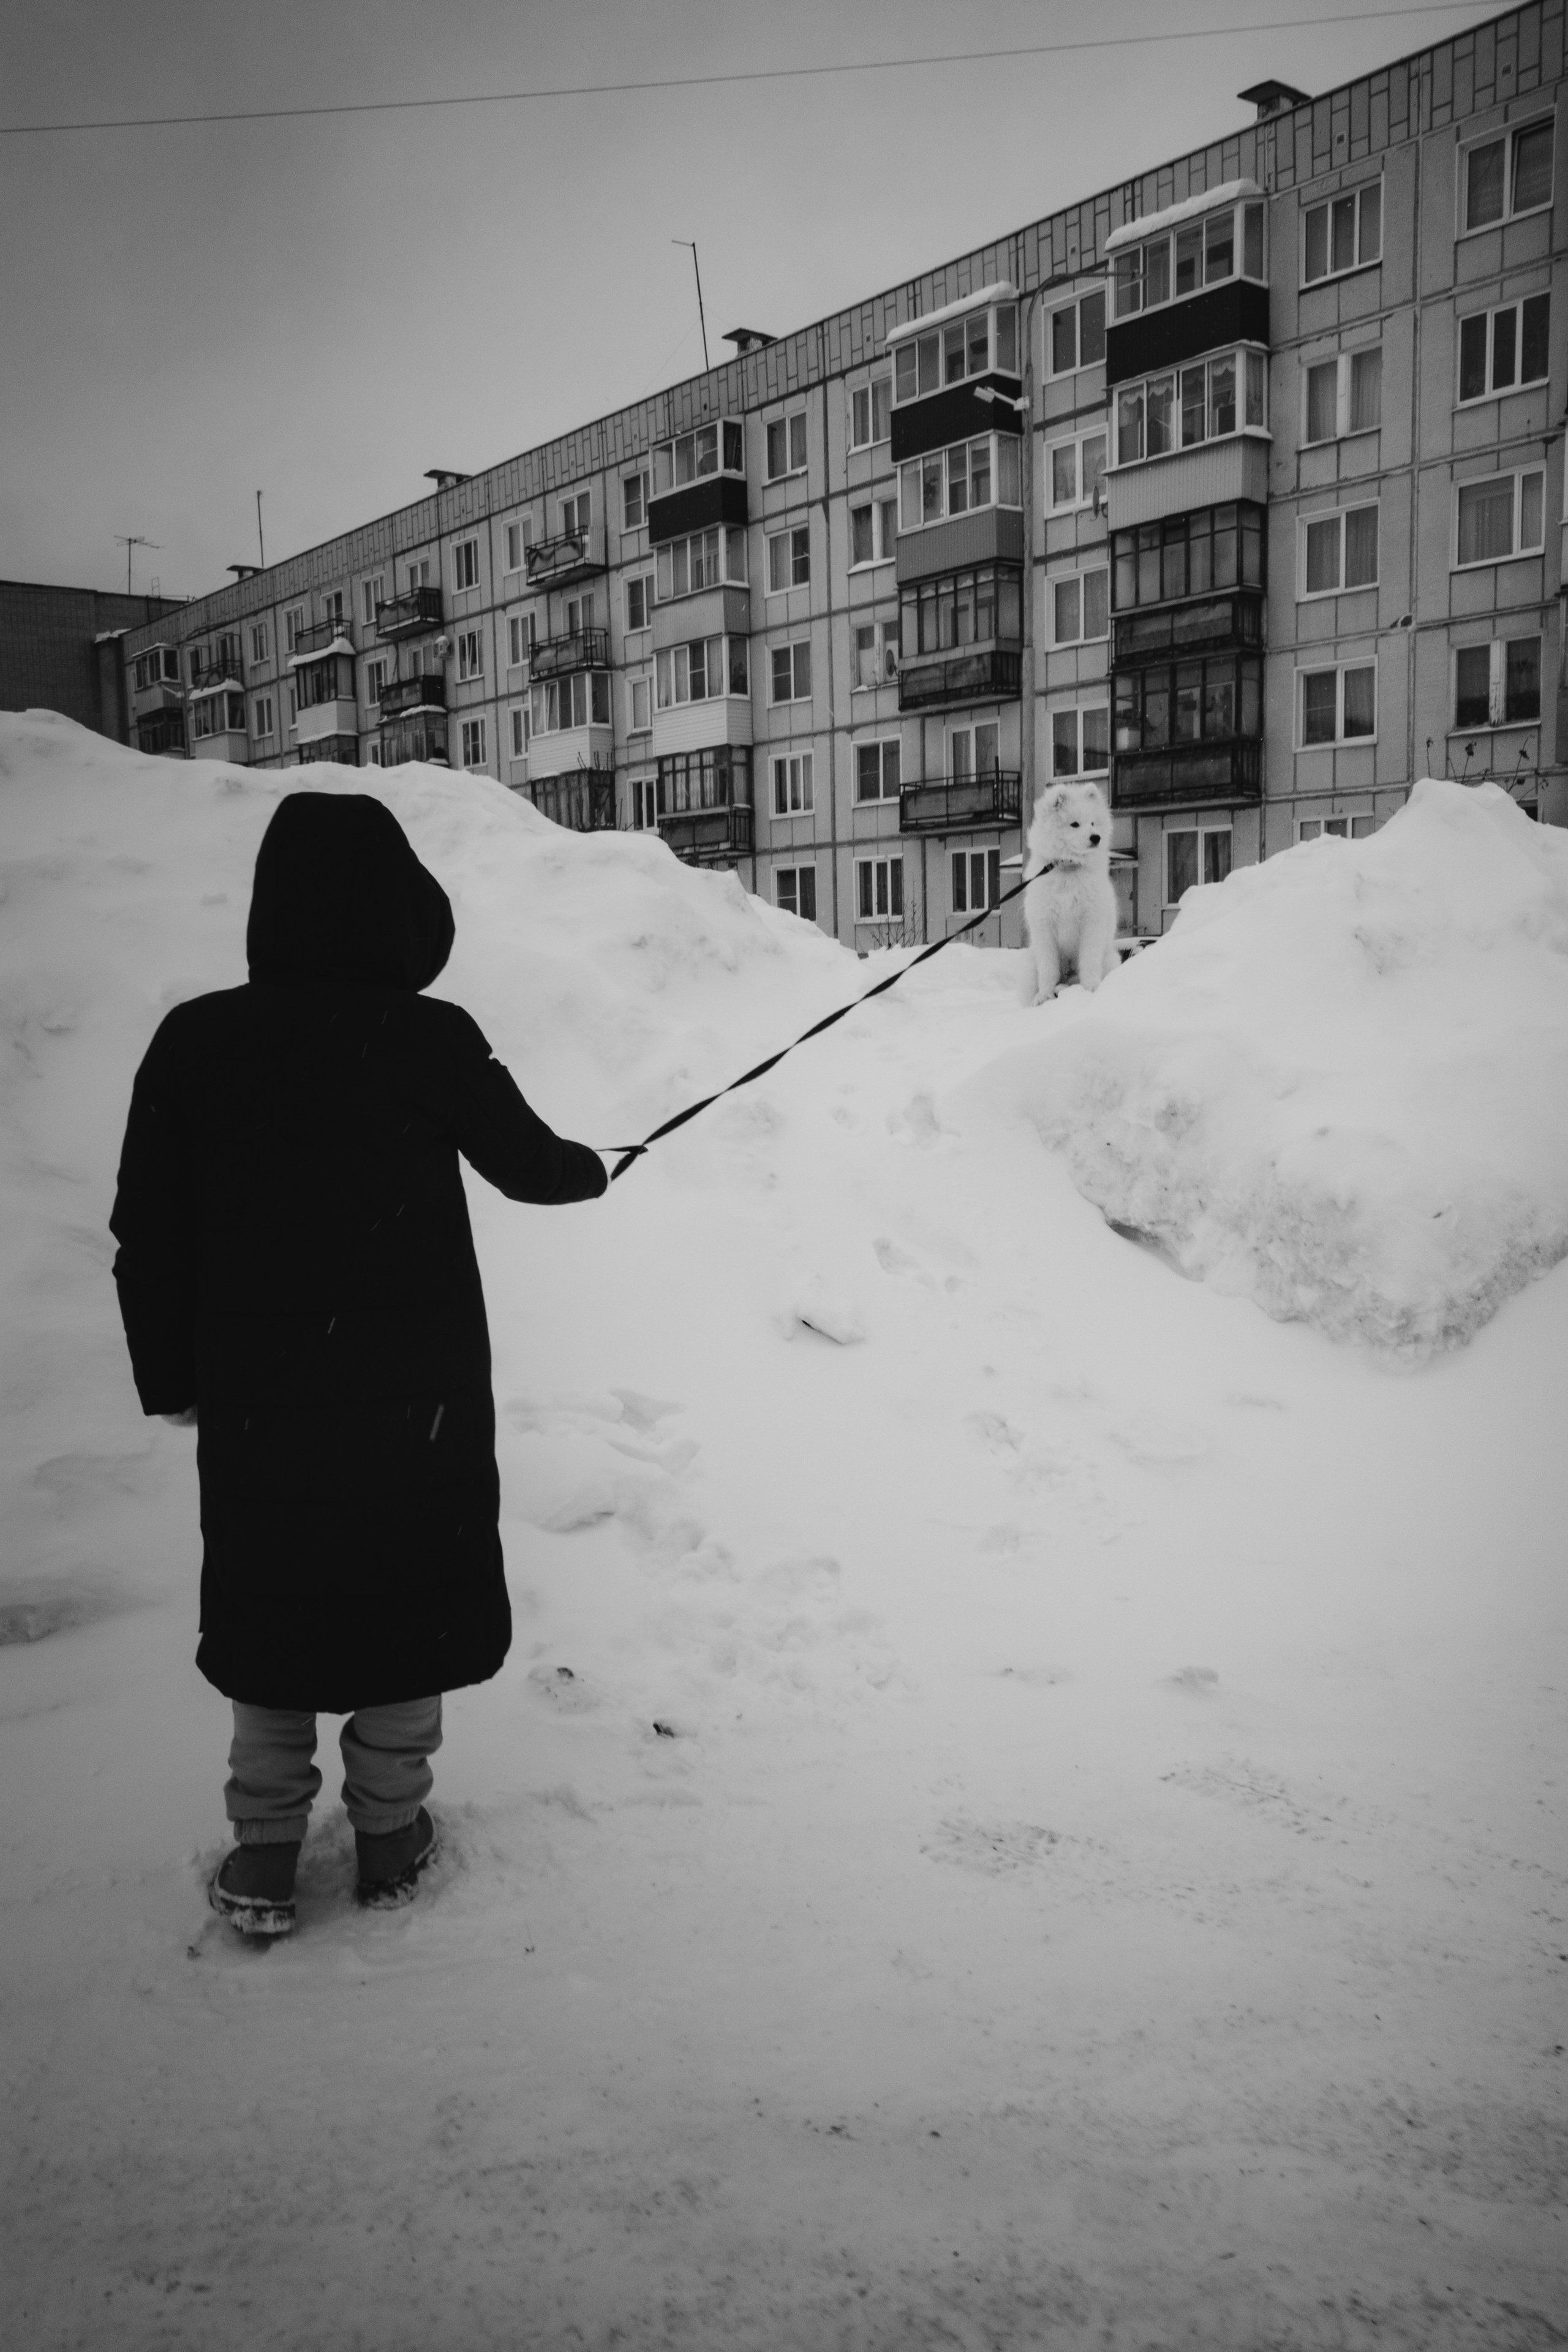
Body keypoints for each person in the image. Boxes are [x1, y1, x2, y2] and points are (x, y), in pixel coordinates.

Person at [110, 791, 608, 1937]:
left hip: (261, 1399)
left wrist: (173, 1379)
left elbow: (149, 1227)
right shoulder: (426, 1036)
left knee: (270, 1607)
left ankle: (264, 1855)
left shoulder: (197, 1039)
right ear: (399, 908)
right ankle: (390, 1832)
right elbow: (534, 1167)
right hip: (412, 1400)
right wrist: (602, 1166)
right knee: (406, 1602)